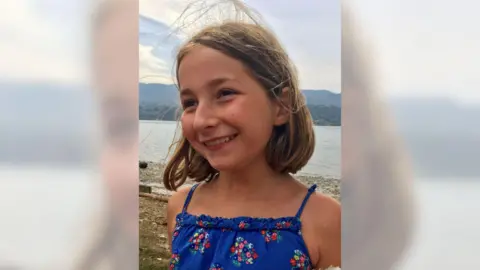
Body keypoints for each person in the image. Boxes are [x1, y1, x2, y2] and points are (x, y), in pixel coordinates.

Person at [163, 19, 341, 270]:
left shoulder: (325, 220)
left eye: (225, 93)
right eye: (190, 102)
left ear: (280, 106)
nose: (202, 120)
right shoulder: (181, 208)